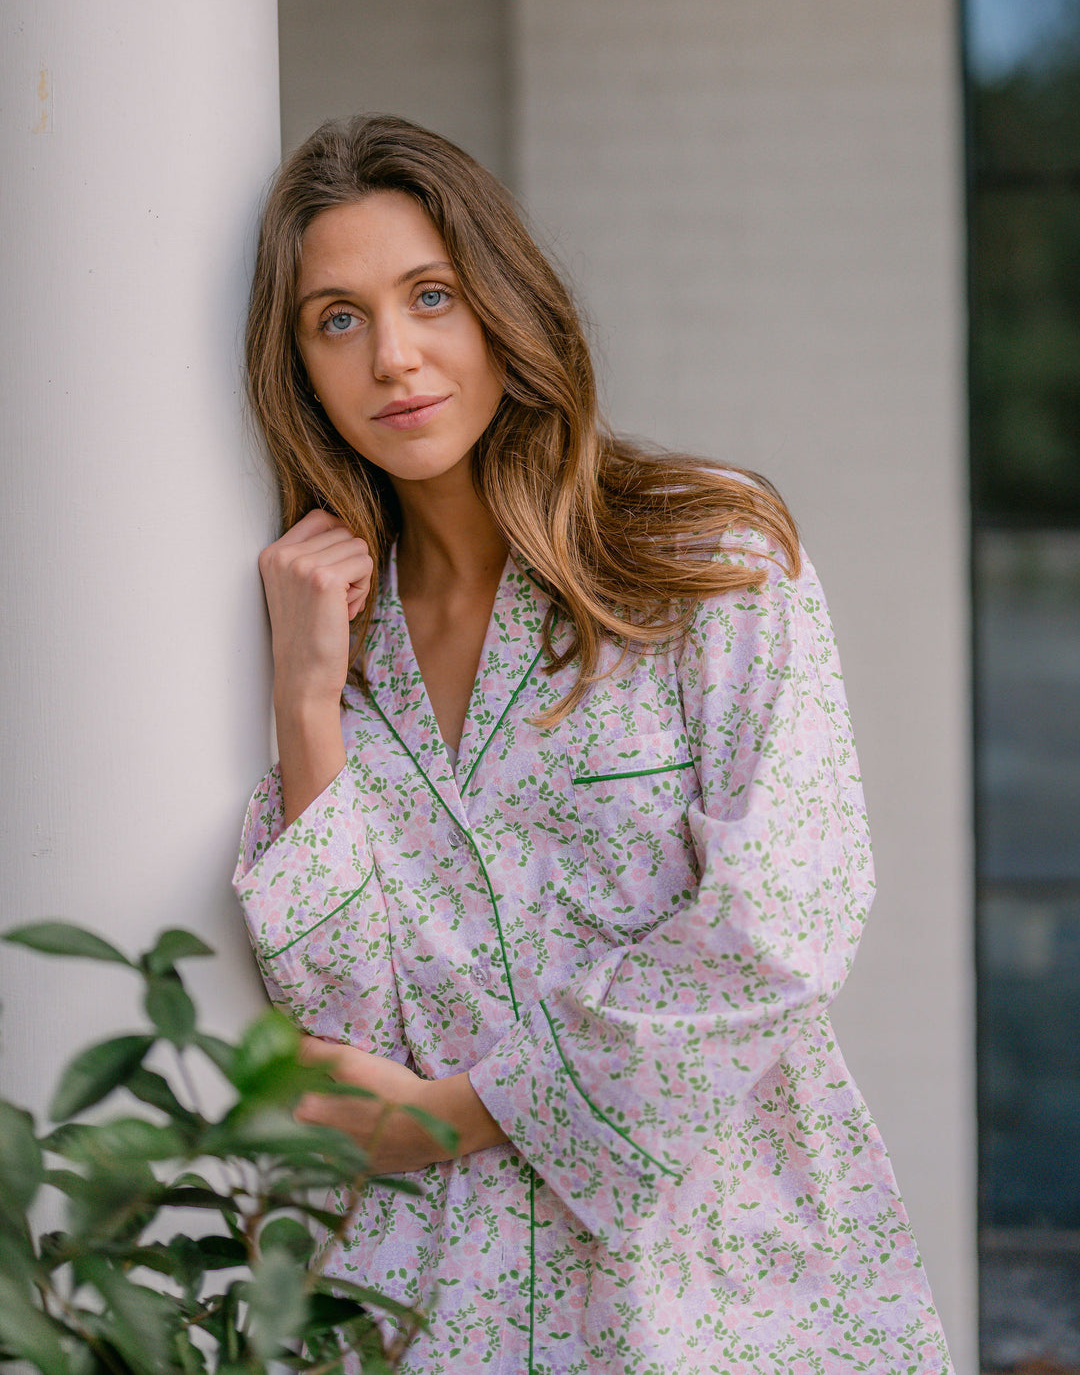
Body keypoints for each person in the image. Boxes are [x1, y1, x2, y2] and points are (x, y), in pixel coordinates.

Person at [234, 114, 953, 1374]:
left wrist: (453, 1118)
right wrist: (306, 703)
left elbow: (784, 923)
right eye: (336, 320)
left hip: (723, 1283)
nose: (394, 357)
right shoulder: (337, 638)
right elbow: (344, 1016)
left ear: (504, 307)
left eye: (430, 296)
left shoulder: (708, 557)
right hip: (435, 1305)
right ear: (297, 367)